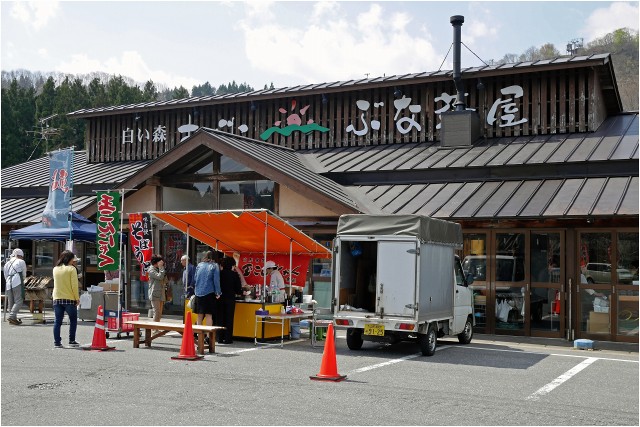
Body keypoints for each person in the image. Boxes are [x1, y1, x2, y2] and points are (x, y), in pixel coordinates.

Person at [52, 250, 81, 348]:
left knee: (57, 321)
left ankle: (57, 342)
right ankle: (71, 340)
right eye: (73, 259)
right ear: (69, 259)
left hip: (57, 297)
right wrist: (77, 298)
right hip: (69, 298)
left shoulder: (55, 269)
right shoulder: (71, 269)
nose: (73, 261)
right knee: (73, 320)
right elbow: (74, 285)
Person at [216, 256, 244, 344]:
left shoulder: (219, 274)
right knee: (229, 319)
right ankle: (228, 338)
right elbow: (238, 290)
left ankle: (219, 337)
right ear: (232, 265)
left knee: (220, 318)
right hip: (230, 299)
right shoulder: (234, 275)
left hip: (219, 298)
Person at [193, 251, 220, 330]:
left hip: (198, 292)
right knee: (209, 315)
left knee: (200, 315)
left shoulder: (199, 265)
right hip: (209, 292)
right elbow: (216, 281)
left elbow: (195, 278)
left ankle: (199, 335)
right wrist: (218, 292)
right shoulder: (215, 266)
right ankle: (208, 336)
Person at [3, 248, 27, 325]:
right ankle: (12, 316)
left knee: (11, 301)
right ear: (20, 255)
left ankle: (12, 319)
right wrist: (22, 280)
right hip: (17, 281)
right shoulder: (21, 261)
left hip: (8, 282)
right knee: (19, 300)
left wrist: (8, 280)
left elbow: (5, 274)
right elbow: (24, 274)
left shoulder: (8, 262)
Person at [147, 254, 167, 322]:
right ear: (156, 262)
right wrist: (161, 267)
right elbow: (160, 277)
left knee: (159, 313)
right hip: (154, 294)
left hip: (161, 293)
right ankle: (154, 330)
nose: (162, 263)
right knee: (157, 312)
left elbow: (164, 279)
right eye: (160, 261)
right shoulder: (151, 270)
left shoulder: (158, 269)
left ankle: (157, 328)